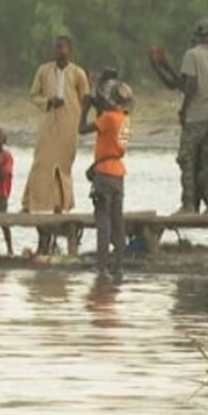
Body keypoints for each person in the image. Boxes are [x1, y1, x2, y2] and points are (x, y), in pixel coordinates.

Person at [23, 35, 90, 214]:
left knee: (64, 164)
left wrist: (82, 119)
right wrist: (49, 101)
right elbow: (34, 95)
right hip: (49, 121)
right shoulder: (44, 71)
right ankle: (33, 203)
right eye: (56, 48)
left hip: (69, 123)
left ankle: (63, 203)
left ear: (69, 50)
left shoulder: (78, 73)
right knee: (41, 161)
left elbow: (86, 99)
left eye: (62, 48)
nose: (59, 51)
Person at [79, 77, 133, 277]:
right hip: (118, 173)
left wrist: (85, 108)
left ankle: (101, 266)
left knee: (103, 221)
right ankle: (118, 265)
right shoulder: (124, 118)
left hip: (104, 174)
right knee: (117, 220)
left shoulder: (109, 118)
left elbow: (82, 129)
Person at [176, 18, 208, 214]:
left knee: (186, 159)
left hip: (195, 115)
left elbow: (191, 85)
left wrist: (183, 109)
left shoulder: (192, 55)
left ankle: (188, 203)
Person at [0, 128, 14, 257]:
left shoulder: (7, 156)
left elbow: (4, 172)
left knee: (3, 221)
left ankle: (10, 249)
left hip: (2, 192)